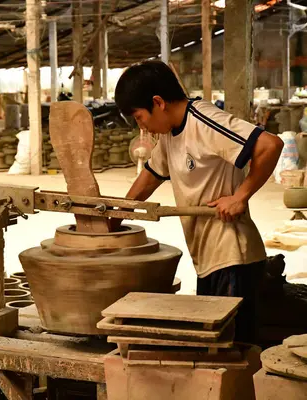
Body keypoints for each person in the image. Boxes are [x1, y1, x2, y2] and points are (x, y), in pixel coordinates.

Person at [112, 61, 283, 343]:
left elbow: (270, 145)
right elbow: (151, 176)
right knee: (211, 348)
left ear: (158, 102)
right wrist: (116, 215)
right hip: (207, 259)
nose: (140, 126)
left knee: (232, 352)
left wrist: (240, 196)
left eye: (139, 117)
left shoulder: (204, 120)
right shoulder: (168, 135)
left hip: (233, 258)